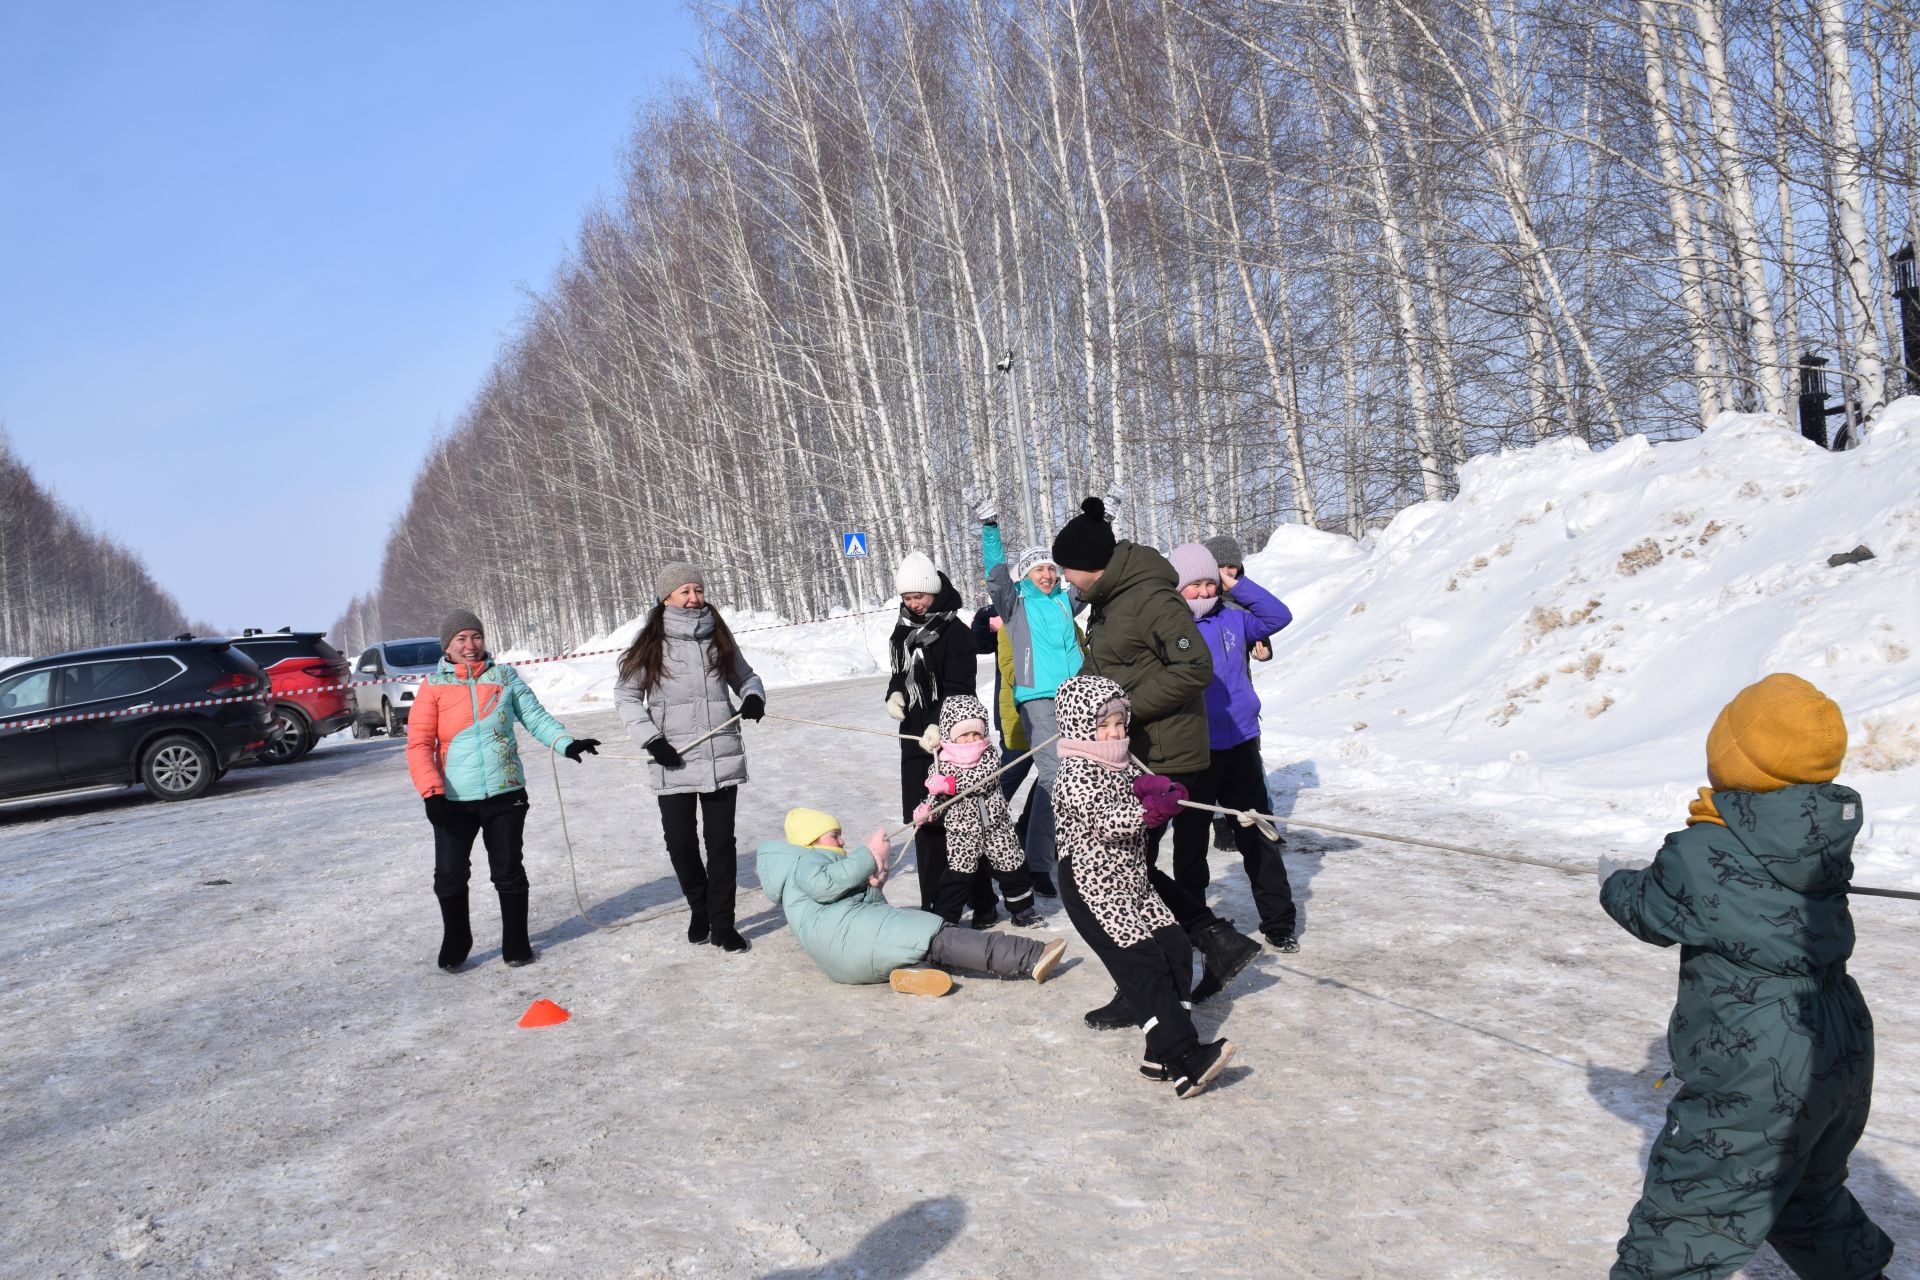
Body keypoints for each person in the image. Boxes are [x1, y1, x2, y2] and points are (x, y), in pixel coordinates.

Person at [1599, 674, 1892, 1280]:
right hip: (1840, 1037)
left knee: (1689, 1219)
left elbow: (1651, 911)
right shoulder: (1825, 831)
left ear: (1736, 759)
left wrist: (1611, 880)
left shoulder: (1704, 851)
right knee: (1805, 1195)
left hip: (1760, 1055)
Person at [1050, 497, 1262, 1024]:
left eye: (1069, 570)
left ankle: (1176, 971)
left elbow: (1194, 667)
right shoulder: (1115, 598)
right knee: (1129, 874)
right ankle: (1198, 951)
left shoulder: (1149, 597)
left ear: (1091, 565)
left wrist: (1119, 713)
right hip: (1137, 751)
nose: (1066, 580)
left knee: (1123, 877)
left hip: (1163, 752)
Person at [1050, 674, 1235, 1098]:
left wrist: (1151, 786)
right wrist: (1149, 811)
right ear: (1080, 726)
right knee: (1142, 965)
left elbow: (1131, 791)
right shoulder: (1075, 772)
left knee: (1173, 947)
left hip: (1132, 879)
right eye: (1104, 724)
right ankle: (1184, 1057)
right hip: (1092, 884)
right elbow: (1106, 820)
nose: (1115, 733)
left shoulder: (1120, 760)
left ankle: (1159, 1054)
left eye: (1120, 722)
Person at [407, 609, 599, 972]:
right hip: (453, 800)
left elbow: (536, 718)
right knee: (449, 875)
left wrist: (567, 743)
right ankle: (457, 937)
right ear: (447, 646)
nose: (470, 645)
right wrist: (431, 792)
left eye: (475, 636)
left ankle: (516, 940)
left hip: (505, 791)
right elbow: (418, 744)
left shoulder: (505, 677)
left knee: (508, 870)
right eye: (461, 639)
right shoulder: (433, 688)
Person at [614, 562, 766, 954]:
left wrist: (752, 697)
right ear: (667, 597)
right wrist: (651, 739)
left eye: (698, 590)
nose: (694, 598)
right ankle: (700, 908)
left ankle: (723, 923)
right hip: (673, 759)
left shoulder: (718, 635)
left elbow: (747, 678)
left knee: (721, 845)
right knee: (680, 844)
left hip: (720, 755)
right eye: (685, 591)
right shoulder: (652, 641)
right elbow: (627, 696)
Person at [757, 808, 1067, 996]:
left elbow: (854, 907)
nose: (841, 842)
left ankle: (909, 971)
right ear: (810, 840)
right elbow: (824, 887)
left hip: (843, 960)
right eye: (833, 835)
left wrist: (875, 886)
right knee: (936, 935)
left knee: (912, 942)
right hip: (850, 938)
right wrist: (868, 853)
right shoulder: (805, 863)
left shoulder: (803, 870)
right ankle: (1030, 956)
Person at [1170, 542, 1300, 951]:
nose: (1205, 592)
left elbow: (1279, 616)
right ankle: (1192, 920)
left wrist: (1235, 584)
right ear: (1177, 588)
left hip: (1241, 743)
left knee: (1258, 836)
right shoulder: (1170, 628)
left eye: (1211, 584)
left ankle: (1278, 921)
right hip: (1194, 751)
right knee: (1190, 844)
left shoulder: (1235, 619)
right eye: (1195, 585)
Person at [978, 496, 1083, 897]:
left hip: (1077, 696)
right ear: (1026, 573)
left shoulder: (1063, 601)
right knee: (1056, 779)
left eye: (1051, 569)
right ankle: (1047, 862)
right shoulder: (1015, 603)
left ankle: (1046, 856)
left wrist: (1102, 522)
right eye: (1039, 568)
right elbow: (995, 574)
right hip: (1039, 698)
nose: (1047, 574)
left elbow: (1093, 575)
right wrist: (990, 527)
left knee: (1072, 778)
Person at [886, 551, 993, 923]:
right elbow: (900, 673)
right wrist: (895, 693)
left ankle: (983, 902)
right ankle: (933, 904)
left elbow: (961, 689)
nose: (913, 604)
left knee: (960, 822)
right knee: (925, 820)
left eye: (920, 596)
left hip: (953, 743)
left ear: (934, 590)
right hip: (914, 741)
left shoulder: (956, 632)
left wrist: (939, 724)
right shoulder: (902, 629)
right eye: (907, 597)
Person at [914, 694, 1044, 927]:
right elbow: (938, 795)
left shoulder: (989, 755)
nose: (971, 739)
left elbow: (981, 779)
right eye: (964, 734)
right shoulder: (941, 763)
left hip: (996, 825)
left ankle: (1023, 910)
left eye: (976, 733)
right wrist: (928, 809)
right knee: (958, 876)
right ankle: (946, 921)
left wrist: (951, 784)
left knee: (1012, 868)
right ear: (951, 736)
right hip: (962, 831)